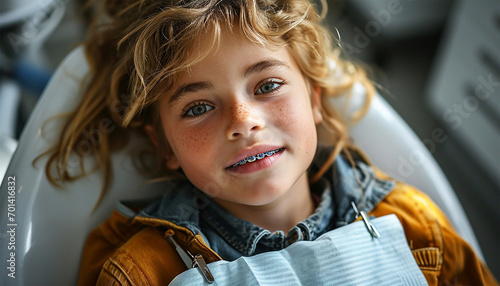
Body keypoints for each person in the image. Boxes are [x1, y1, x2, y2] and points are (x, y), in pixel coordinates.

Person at [40, 0, 497, 285]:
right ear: (164, 147)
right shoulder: (142, 274)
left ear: (315, 100)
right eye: (198, 107)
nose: (243, 122)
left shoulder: (414, 227)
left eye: (266, 86)